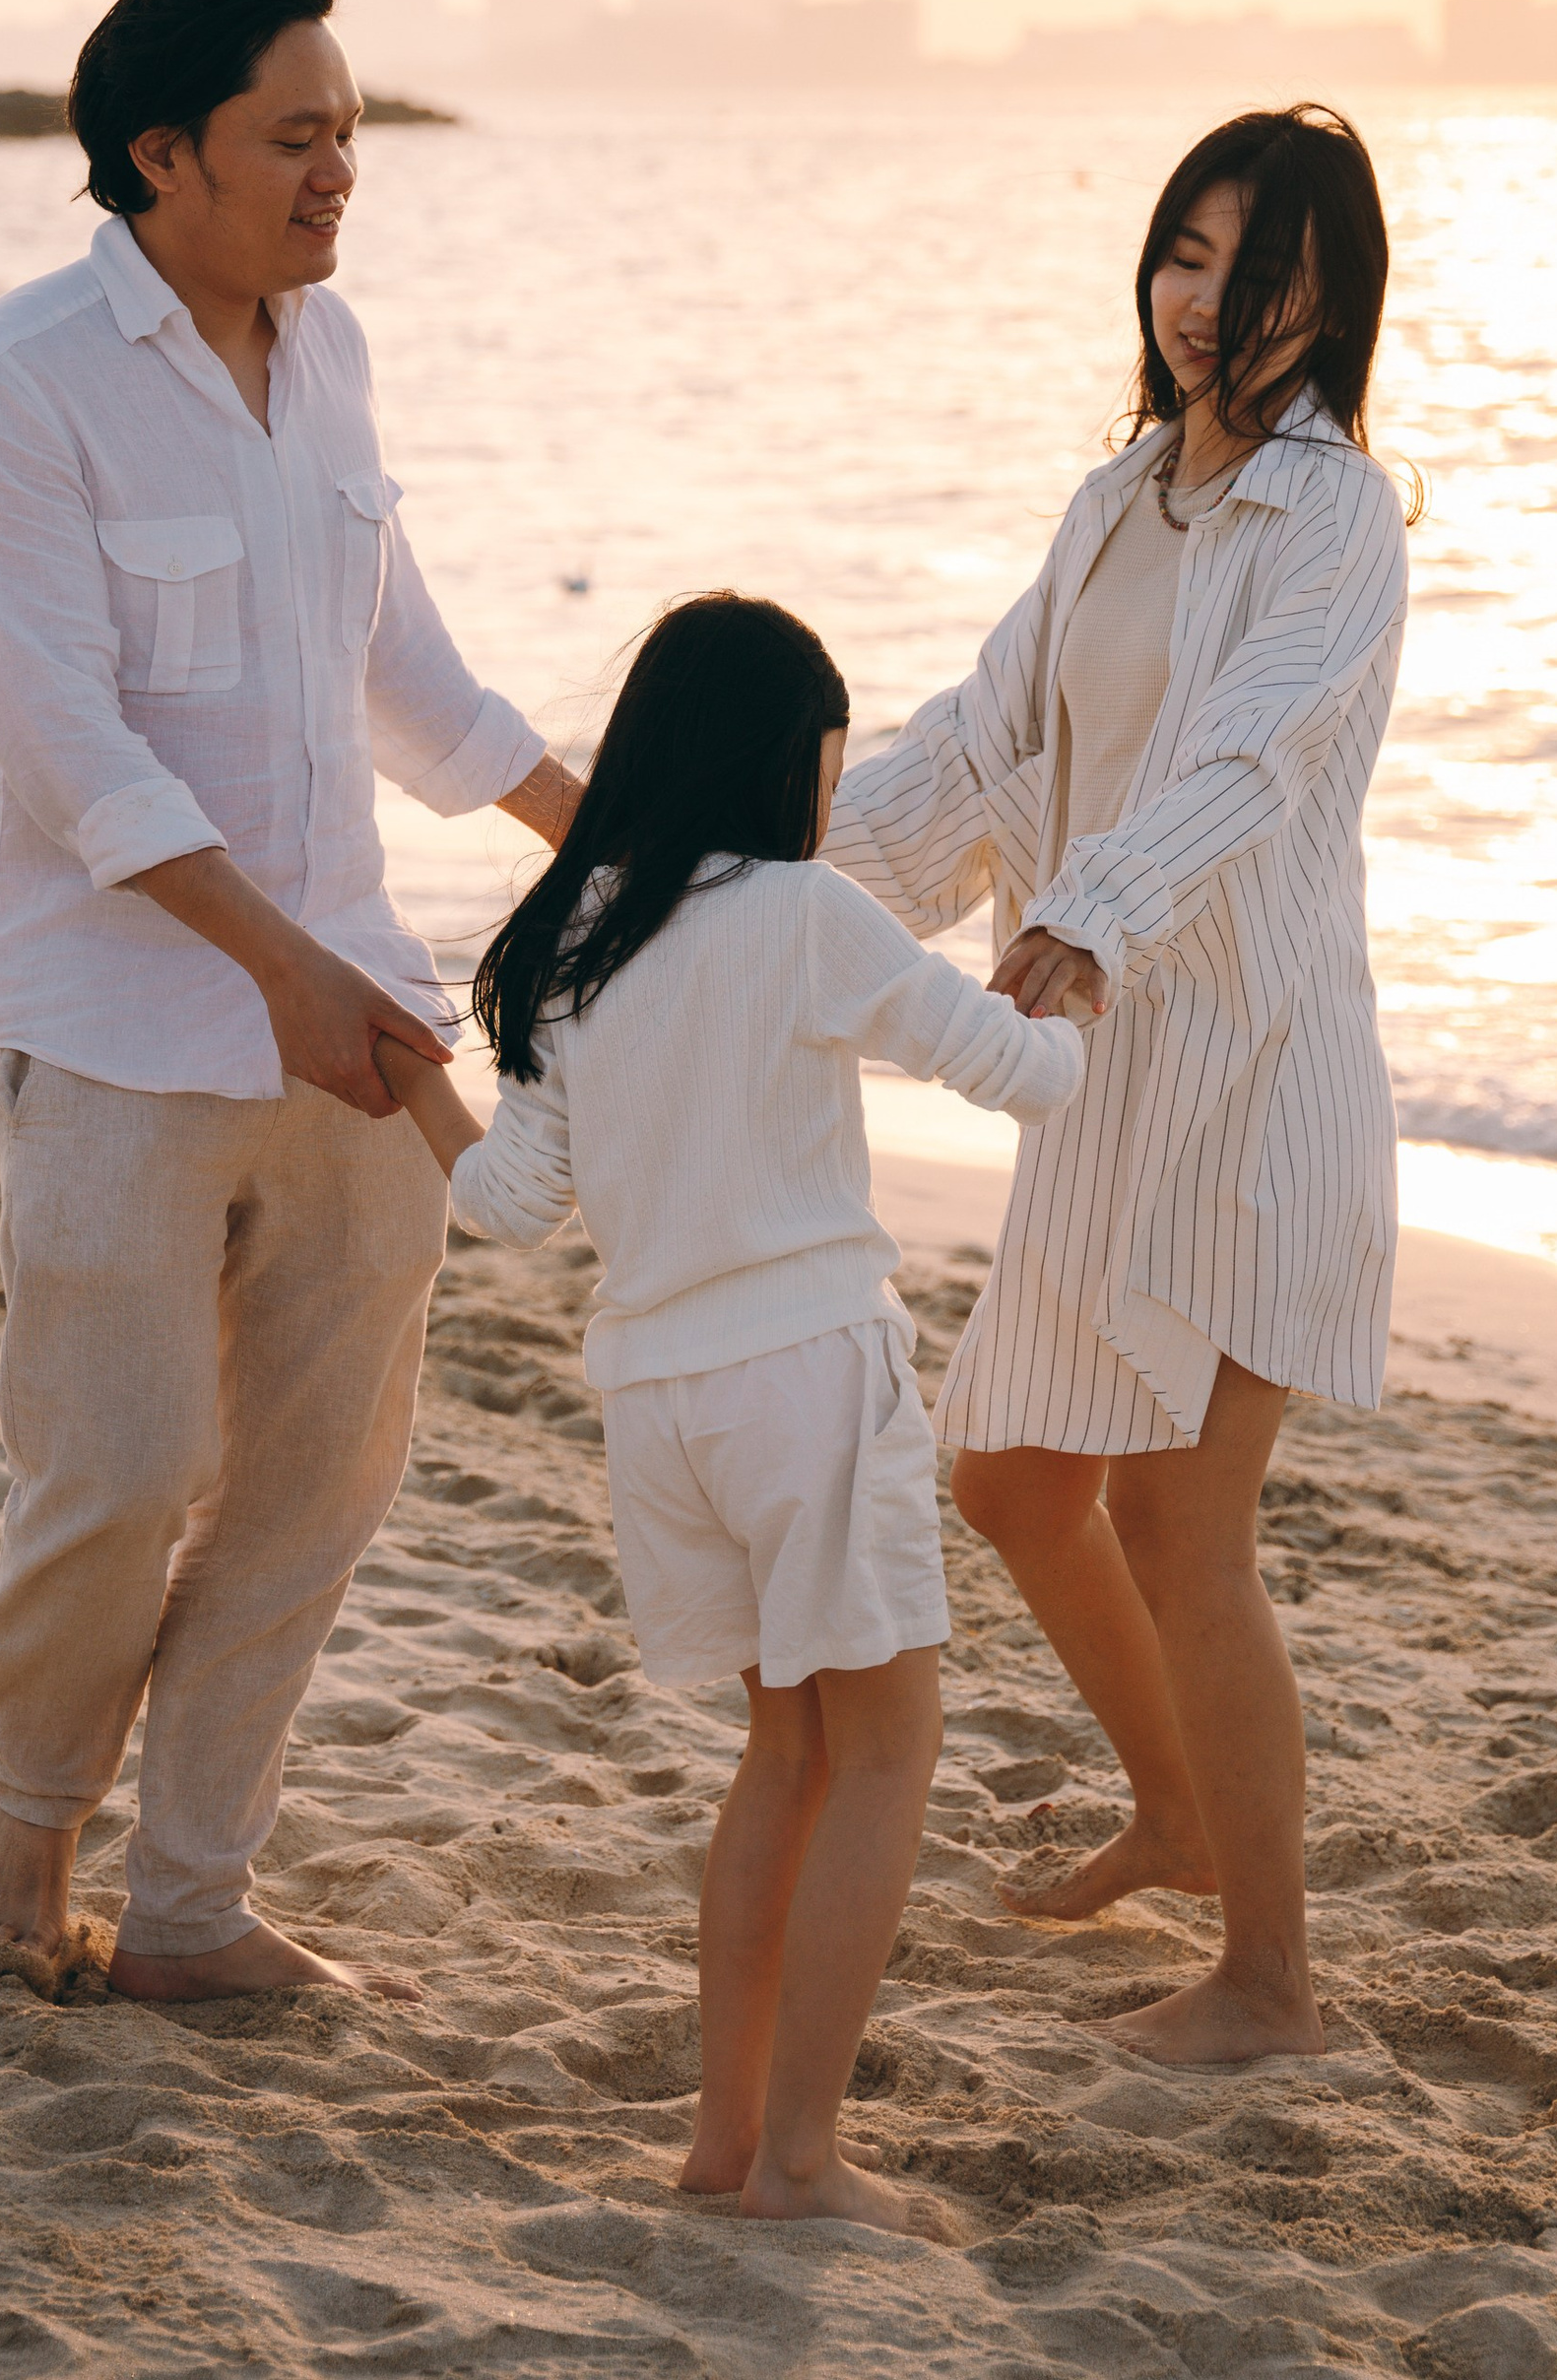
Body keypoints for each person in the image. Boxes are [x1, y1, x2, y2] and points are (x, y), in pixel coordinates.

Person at [0, 0, 581, 2001]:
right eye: (294, 137)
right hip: (115, 1028)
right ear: (157, 153)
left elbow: (414, 687)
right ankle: (28, 1850)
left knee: (310, 1496)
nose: (336, 174)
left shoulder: (336, 359)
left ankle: (192, 1901)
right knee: (108, 1485)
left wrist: (637, 840)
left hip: (353, 1022)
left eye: (349, 133)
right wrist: (274, 969)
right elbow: (63, 749)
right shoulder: (11, 382)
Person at [374, 593, 1083, 2228]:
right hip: (808, 1376)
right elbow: (1022, 1078)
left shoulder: (578, 931)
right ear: (784, 764)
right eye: (826, 768)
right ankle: (807, 2164)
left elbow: (505, 1202)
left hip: (662, 1408)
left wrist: (413, 1062)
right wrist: (1078, 986)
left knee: (785, 1750)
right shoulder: (801, 911)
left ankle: (726, 2145)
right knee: (891, 1747)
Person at [824, 105, 1411, 2068]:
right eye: (1180, 249)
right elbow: (979, 746)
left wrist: (1083, 911)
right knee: (1008, 1473)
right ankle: (1172, 1805)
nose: (1203, 297)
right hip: (1101, 1076)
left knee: (1181, 1511)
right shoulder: (1114, 501)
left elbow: (1245, 759)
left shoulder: (1334, 517)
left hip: (1246, 1070)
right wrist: (736, 861)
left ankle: (1270, 1979)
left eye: (1254, 265)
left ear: (1326, 297)